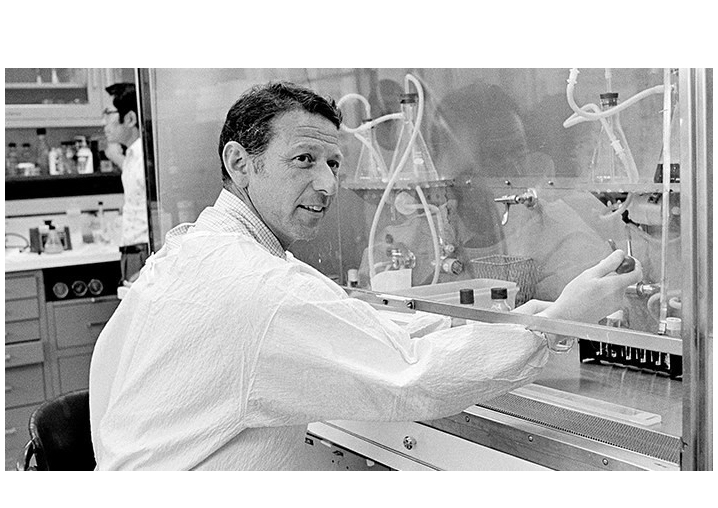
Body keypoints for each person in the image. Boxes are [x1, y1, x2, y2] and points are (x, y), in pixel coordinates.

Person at [89, 81, 642, 470]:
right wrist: (559, 324)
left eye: (334, 164)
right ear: (239, 163)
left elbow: (355, 326)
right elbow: (414, 378)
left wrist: (526, 318)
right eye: (304, 159)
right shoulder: (258, 288)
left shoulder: (195, 251)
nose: (328, 185)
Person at [103, 82, 150, 284]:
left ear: (130, 118)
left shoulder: (145, 158)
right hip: (132, 251)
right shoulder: (133, 156)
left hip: (143, 253)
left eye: (108, 114)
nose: (103, 123)